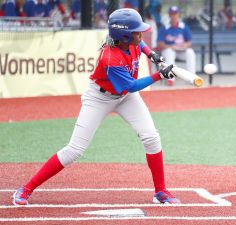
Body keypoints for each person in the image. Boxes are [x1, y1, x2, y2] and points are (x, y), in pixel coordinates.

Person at [12, 8, 180, 206]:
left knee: (151, 137)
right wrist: (159, 75)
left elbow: (140, 44)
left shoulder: (130, 41)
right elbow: (131, 85)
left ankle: (160, 191)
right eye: (136, 31)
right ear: (124, 35)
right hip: (99, 98)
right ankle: (26, 188)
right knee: (74, 149)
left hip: (126, 97)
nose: (140, 34)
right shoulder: (110, 57)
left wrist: (151, 55)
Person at [157, 5, 196, 86]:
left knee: (190, 52)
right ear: (169, 15)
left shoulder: (184, 26)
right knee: (169, 52)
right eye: (172, 14)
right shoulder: (164, 27)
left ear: (178, 15)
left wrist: (185, 45)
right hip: (168, 51)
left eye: (175, 14)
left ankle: (191, 78)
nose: (174, 16)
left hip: (181, 51)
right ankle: (170, 79)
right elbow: (160, 44)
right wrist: (170, 47)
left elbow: (189, 42)